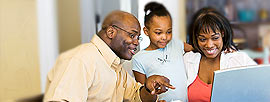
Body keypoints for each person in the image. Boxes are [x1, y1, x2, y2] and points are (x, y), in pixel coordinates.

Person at [43, 10, 175, 102]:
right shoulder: (82, 58)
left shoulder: (116, 66)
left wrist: (148, 87)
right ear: (111, 32)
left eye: (138, 38)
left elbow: (137, 96)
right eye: (132, 35)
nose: (136, 42)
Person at [184, 7, 270, 102]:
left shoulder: (238, 59)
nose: (209, 45)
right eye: (202, 39)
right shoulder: (188, 60)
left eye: (215, 38)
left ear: (222, 34)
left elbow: (269, 90)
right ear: (196, 38)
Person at [132, 2, 192, 102]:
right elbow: (142, 93)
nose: (164, 37)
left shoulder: (176, 44)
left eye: (169, 32)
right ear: (146, 31)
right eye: (158, 33)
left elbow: (199, 50)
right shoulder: (138, 59)